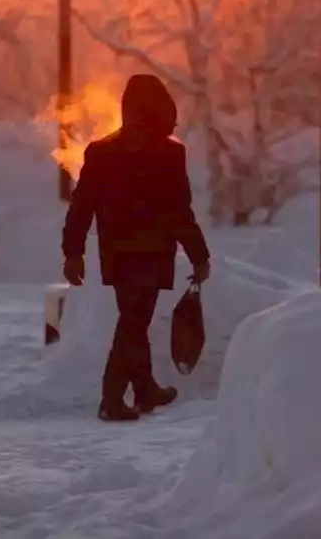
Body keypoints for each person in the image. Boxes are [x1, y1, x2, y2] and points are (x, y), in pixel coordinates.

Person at [61, 74, 212, 422]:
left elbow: (81, 206)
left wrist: (74, 251)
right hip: (153, 252)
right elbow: (179, 211)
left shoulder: (101, 152)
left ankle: (144, 390)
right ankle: (111, 398)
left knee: (134, 319)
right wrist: (199, 256)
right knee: (133, 321)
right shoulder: (170, 153)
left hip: (116, 253)